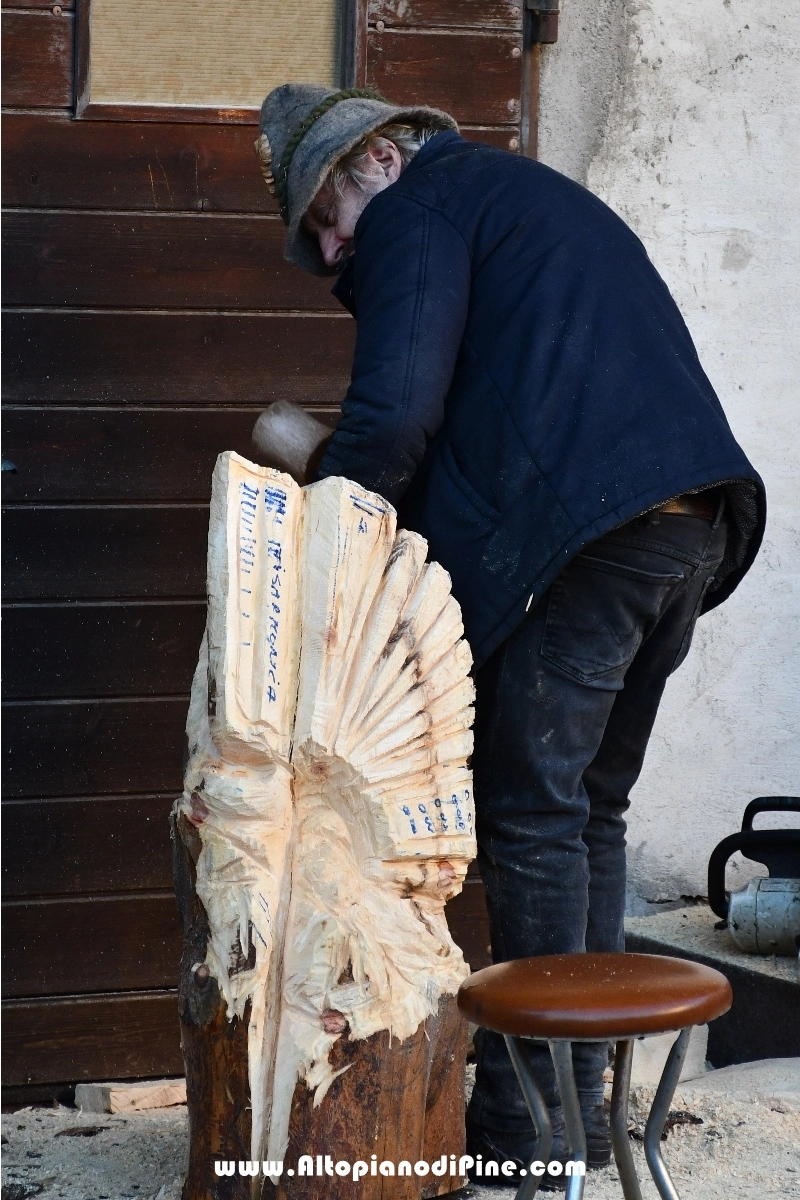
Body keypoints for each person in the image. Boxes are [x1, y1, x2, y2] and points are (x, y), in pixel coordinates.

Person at [255, 83, 766, 1184]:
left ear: (377, 161)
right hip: (689, 523)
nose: (331, 252)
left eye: (325, 220)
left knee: (533, 814)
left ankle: (528, 1137)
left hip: (600, 530)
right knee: (586, 810)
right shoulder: (511, 199)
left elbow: (396, 412)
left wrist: (337, 544)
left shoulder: (417, 208)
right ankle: (582, 1118)